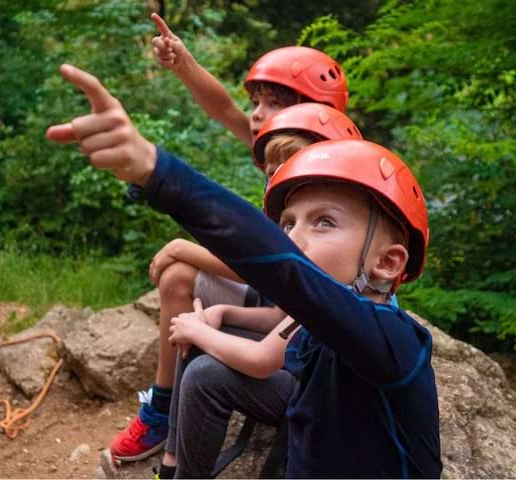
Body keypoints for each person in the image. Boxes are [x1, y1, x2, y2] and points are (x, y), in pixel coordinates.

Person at [46, 64, 442, 478]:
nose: (292, 237)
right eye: (287, 223)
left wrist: (156, 172)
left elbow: (284, 271)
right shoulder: (313, 334)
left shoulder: (393, 340)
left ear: (388, 262)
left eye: (325, 221)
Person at [108, 14, 355, 460]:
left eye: (272, 103)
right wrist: (183, 63)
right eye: (257, 102)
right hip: (277, 303)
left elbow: (283, 267)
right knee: (179, 279)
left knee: (182, 268)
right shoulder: (279, 152)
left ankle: (170, 421)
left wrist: (189, 247)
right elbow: (223, 108)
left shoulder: (328, 179)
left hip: (291, 308)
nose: (256, 115)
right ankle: (164, 410)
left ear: (314, 114)